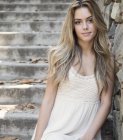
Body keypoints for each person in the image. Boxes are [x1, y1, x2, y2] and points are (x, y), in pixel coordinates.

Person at [31, 0, 114, 140]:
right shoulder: (60, 56)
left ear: (97, 21)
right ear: (72, 26)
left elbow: (106, 102)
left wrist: (88, 137)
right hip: (56, 131)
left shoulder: (107, 59)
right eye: (78, 22)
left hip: (87, 132)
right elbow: (48, 99)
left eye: (90, 20)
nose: (85, 27)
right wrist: (38, 138)